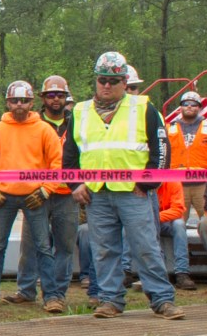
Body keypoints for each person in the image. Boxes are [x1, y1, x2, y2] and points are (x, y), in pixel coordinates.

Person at [67, 50, 183, 319]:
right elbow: (70, 156)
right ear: (95, 81)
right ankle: (110, 300)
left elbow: (161, 150)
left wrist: (149, 183)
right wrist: (75, 184)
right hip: (97, 194)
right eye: (102, 79)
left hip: (135, 193)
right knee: (104, 249)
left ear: (124, 81)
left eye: (114, 80)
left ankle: (162, 300)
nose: (107, 85)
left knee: (146, 247)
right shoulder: (80, 111)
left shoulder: (144, 108)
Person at [0, 80, 63, 310]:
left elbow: (58, 164)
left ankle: (51, 297)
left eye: (24, 101)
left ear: (32, 103)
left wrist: (45, 191)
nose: (19, 106)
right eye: (15, 101)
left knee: (43, 247)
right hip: (3, 196)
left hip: (35, 196)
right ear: (8, 103)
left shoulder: (44, 129)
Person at [37, 75, 90, 306]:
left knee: (65, 246)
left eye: (60, 95)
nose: (56, 99)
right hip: (38, 193)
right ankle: (30, 289)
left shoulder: (78, 122)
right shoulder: (34, 123)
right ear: (43, 98)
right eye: (51, 95)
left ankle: (57, 294)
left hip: (68, 194)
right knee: (37, 245)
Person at [164, 90, 207, 289]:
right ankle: (178, 271)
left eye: (194, 104)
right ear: (180, 107)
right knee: (177, 226)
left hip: (202, 184)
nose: (189, 107)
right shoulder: (168, 129)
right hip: (175, 185)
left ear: (200, 108)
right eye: (186, 104)